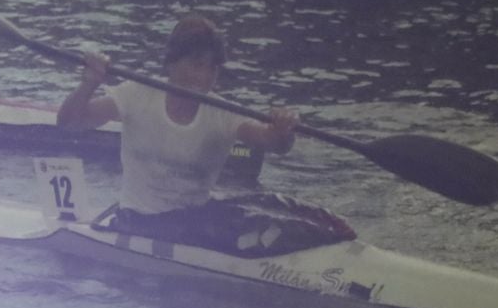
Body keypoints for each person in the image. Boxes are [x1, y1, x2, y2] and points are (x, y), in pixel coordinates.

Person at [58, 15, 344, 256]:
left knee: (287, 213)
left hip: (195, 216)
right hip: (139, 221)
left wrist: (283, 130)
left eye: (213, 68)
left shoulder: (221, 111)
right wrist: (89, 83)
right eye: (197, 64)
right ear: (172, 63)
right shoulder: (137, 94)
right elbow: (70, 123)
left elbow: (274, 144)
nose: (205, 77)